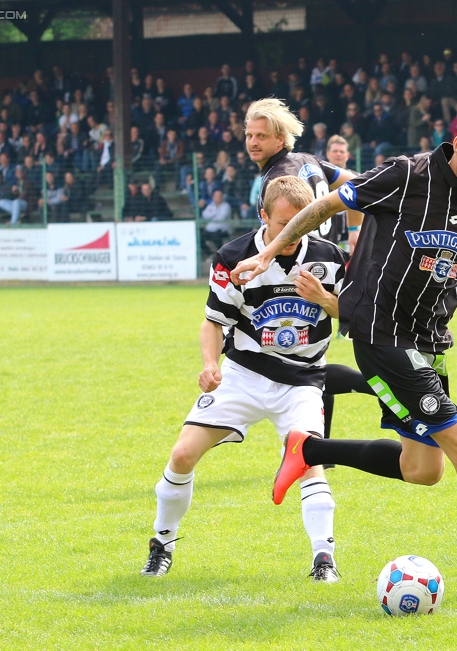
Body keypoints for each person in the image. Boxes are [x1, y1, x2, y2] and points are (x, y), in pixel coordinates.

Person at [230, 103, 457, 598]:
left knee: (423, 470)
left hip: (429, 341)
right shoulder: (406, 174)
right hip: (382, 336)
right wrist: (268, 251)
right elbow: (326, 204)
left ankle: (308, 448)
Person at [141, 176, 348, 582]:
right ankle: (161, 545)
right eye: (283, 223)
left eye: (302, 223)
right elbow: (213, 323)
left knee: (309, 463)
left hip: (304, 382)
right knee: (182, 455)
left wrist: (324, 299)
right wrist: (209, 363)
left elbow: (354, 316)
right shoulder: (234, 257)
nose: (292, 234)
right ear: (263, 216)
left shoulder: (331, 257)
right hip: (244, 374)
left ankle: (324, 559)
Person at [243, 98, 372, 440]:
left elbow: (283, 230)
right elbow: (357, 184)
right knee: (313, 358)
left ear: (280, 140)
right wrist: (355, 231)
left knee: (299, 362)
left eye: (261, 136)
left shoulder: (279, 180)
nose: (253, 142)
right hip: (324, 268)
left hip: (300, 271)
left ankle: (380, 388)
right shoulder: (309, 161)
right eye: (249, 135)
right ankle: (320, 445)